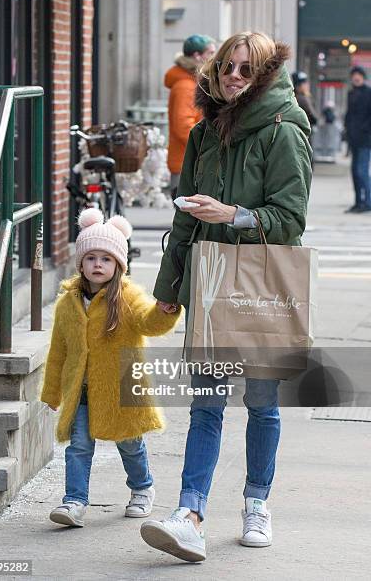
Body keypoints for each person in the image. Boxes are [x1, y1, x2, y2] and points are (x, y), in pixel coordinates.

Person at [140, 31, 312, 562]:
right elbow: (183, 217)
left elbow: (290, 219)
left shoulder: (284, 129)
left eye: (245, 69)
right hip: (210, 283)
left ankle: (256, 503)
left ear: (262, 75)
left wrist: (233, 215)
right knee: (206, 406)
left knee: (261, 405)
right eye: (227, 67)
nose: (234, 76)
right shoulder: (204, 132)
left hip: (260, 286)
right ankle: (189, 513)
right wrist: (169, 288)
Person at [40, 209, 181, 528]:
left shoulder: (127, 297)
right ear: (81, 263)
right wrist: (52, 391)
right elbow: (58, 350)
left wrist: (166, 310)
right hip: (82, 390)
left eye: (106, 258)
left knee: (130, 443)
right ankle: (74, 500)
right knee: (78, 448)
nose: (98, 264)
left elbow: (149, 323)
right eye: (91, 258)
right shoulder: (68, 302)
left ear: (118, 264)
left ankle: (143, 488)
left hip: (120, 387)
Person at [165, 34, 216, 200]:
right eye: (211, 53)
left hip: (191, 162)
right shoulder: (185, 86)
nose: (214, 58)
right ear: (197, 56)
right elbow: (183, 127)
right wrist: (209, 146)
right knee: (188, 221)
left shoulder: (191, 82)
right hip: (186, 164)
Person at [344, 66, 371, 213]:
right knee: (355, 172)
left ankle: (367, 202)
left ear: (363, 77)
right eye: (354, 75)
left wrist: (365, 129)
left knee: (362, 171)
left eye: (359, 75)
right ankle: (358, 202)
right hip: (353, 139)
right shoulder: (351, 93)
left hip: (365, 139)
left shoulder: (369, 92)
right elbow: (349, 114)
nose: (356, 77)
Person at [292, 71, 318, 142]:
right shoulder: (303, 99)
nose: (307, 85)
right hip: (304, 132)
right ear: (298, 86)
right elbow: (314, 117)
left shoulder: (293, 97)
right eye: (304, 83)